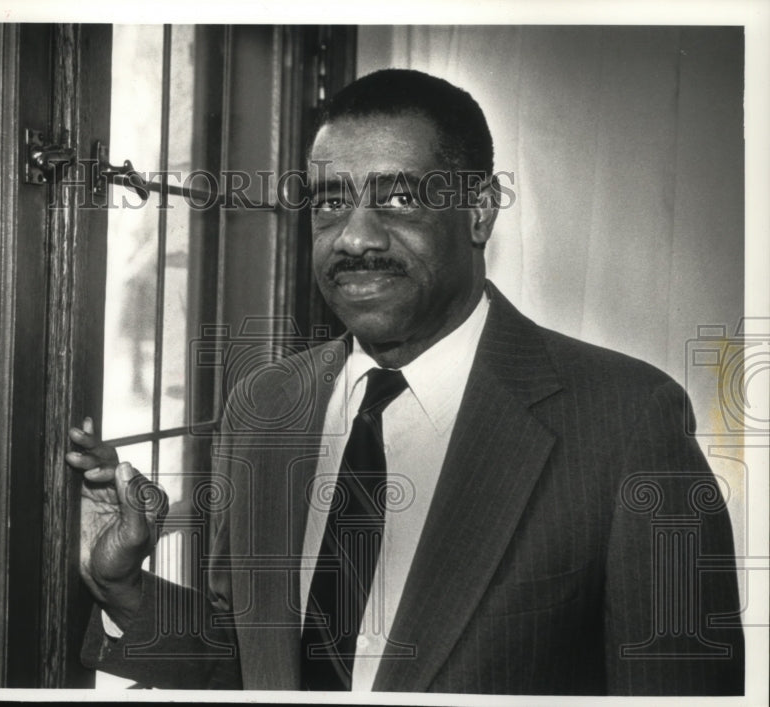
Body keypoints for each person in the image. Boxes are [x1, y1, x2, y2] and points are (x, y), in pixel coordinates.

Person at [66, 69, 744, 694]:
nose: (355, 236)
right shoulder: (265, 406)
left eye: (397, 197)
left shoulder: (626, 421)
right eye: (331, 202)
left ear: (478, 211)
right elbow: (248, 661)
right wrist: (124, 585)